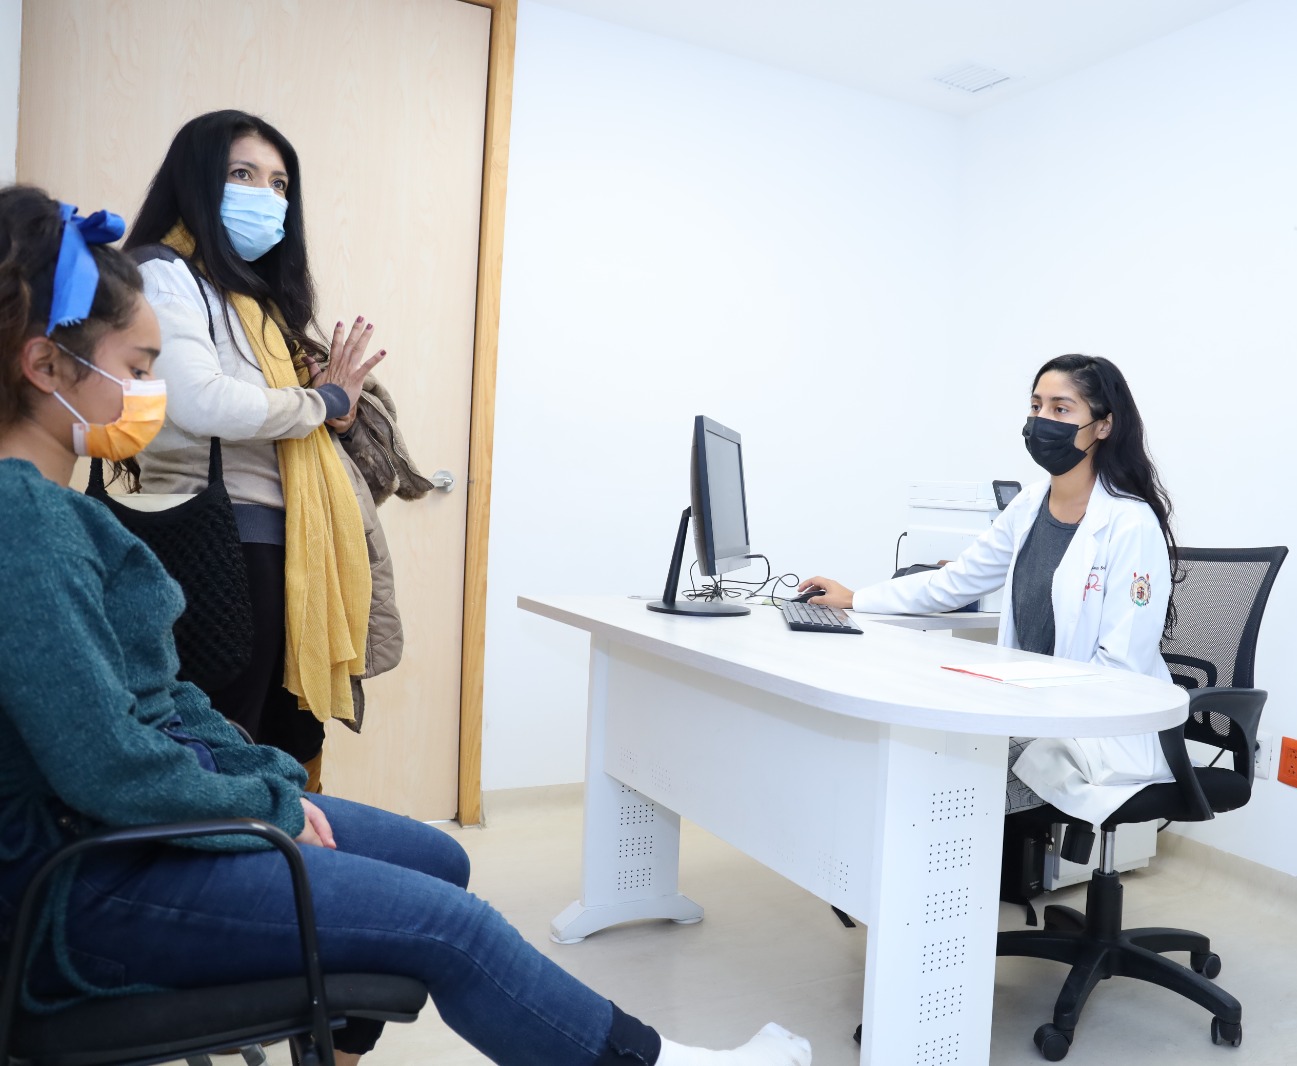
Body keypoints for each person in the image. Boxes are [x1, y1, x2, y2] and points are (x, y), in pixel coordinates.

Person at [0, 185, 810, 1066]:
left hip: (115, 837)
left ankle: (332, 1046)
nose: (155, 391)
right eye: (141, 366)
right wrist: (267, 805)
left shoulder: (54, 509)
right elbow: (110, 762)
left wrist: (268, 781)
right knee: (451, 927)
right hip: (85, 888)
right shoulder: (23, 525)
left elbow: (157, 705)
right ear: (46, 366)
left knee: (437, 860)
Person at [122, 110, 394, 790]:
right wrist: (318, 403)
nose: (265, 196)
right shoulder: (164, 274)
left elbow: (274, 413)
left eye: (278, 184)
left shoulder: (252, 297)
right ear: (195, 180)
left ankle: (295, 844)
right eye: (242, 174)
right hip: (223, 537)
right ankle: (244, 846)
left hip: (281, 537)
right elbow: (200, 402)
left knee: (290, 728)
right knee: (231, 730)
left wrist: (332, 409)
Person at [800, 354, 1181, 825]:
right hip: (1029, 714)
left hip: (1090, 734)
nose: (1042, 420)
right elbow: (955, 582)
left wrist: (1029, 707)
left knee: (938, 792)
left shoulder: (1129, 523)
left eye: (1061, 409)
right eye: (1036, 406)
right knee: (910, 759)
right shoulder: (1030, 504)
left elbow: (1121, 669)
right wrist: (856, 598)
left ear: (1103, 425)